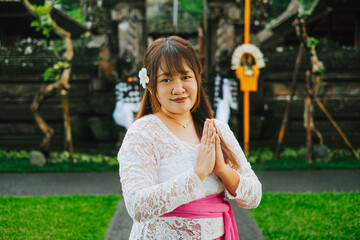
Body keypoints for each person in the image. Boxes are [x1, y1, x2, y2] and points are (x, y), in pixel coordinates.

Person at [117, 36, 262, 240]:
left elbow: (254, 196)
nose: (178, 89)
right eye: (166, 79)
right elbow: (137, 206)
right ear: (151, 87)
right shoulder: (143, 133)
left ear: (197, 78)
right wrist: (198, 173)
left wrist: (222, 169)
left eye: (185, 77)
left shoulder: (216, 130)